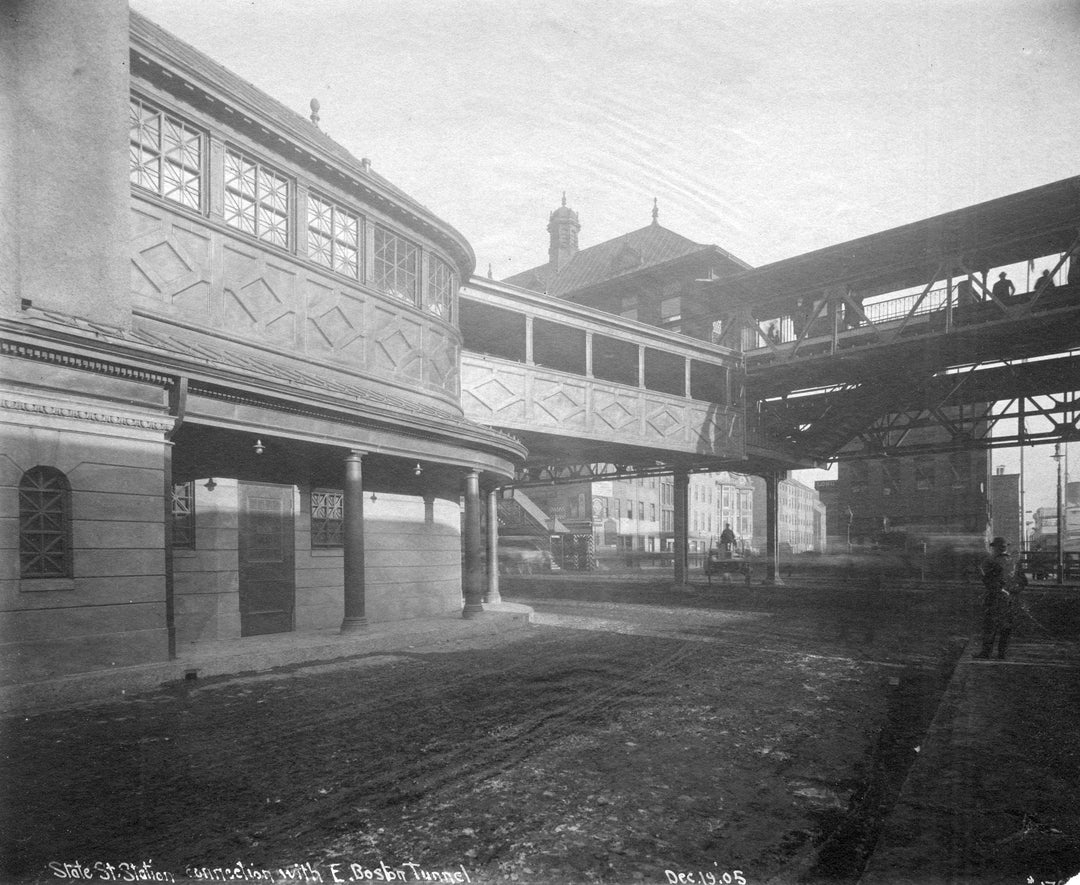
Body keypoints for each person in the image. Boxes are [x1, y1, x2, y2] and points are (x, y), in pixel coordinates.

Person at [977, 536, 1025, 659]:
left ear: (995, 548)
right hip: (1009, 599)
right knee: (1006, 626)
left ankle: (986, 653)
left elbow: (987, 580)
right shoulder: (1014, 562)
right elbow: (1024, 581)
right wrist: (1014, 591)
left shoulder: (990, 561)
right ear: (1005, 548)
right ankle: (1002, 653)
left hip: (994, 597)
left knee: (989, 625)